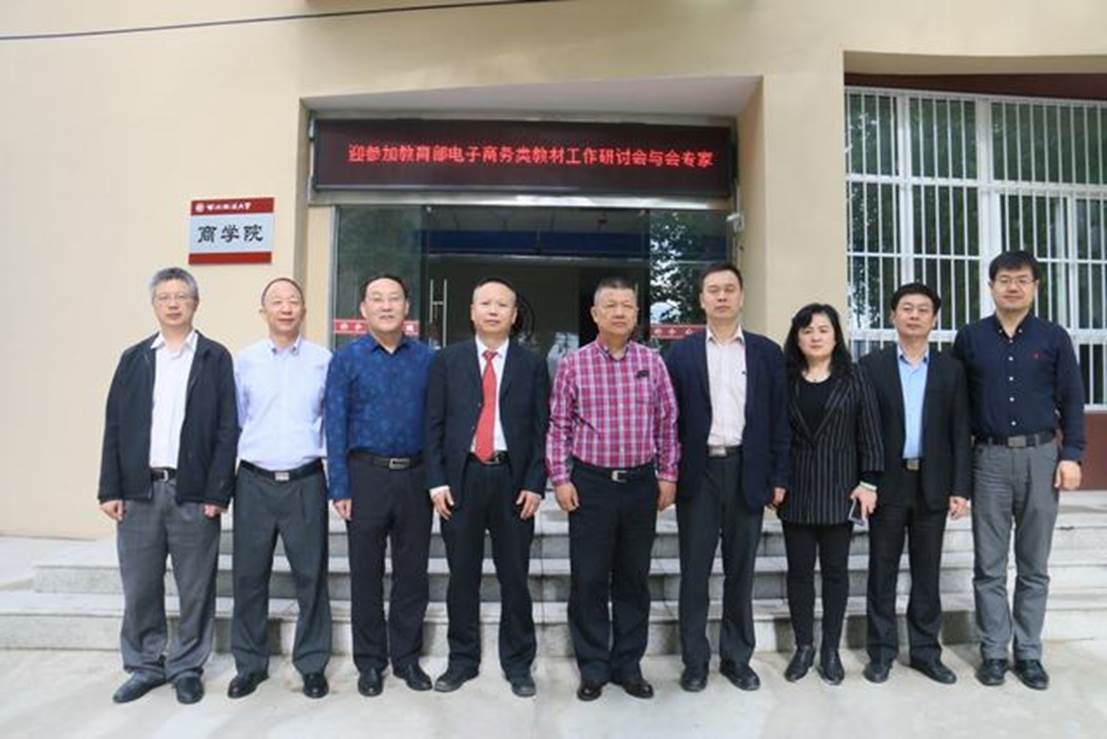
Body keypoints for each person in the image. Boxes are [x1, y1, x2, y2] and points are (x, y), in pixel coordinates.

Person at [98, 267, 237, 705]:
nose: (173, 303)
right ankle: (145, 664)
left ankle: (187, 666)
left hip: (192, 493)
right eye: (165, 297)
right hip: (139, 491)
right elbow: (114, 425)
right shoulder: (134, 359)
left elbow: (227, 429)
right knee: (140, 584)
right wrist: (110, 488)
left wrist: (217, 493)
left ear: (196, 303)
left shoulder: (215, 357)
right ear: (154, 304)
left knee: (196, 586)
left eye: (181, 296)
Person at [952, 250, 1086, 691]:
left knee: (1033, 565)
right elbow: (958, 409)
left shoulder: (1053, 338)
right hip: (988, 458)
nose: (1013, 287)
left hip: (1041, 456)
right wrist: (959, 475)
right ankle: (994, 651)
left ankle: (1028, 652)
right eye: (1005, 279)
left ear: (1035, 287)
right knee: (989, 565)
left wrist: (1072, 455)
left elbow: (1072, 398)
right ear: (990, 286)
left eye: (1022, 280)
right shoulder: (970, 338)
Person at [546, 276, 680, 702]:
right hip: (591, 486)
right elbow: (559, 426)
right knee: (588, 579)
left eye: (627, 305)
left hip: (640, 485)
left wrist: (668, 474)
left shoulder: (653, 362)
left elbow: (668, 423)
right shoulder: (574, 364)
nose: (619, 312)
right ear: (595, 313)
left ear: (637, 313)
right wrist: (560, 478)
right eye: (611, 305)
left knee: (633, 579)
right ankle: (593, 667)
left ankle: (628, 665)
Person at [664, 263, 789, 693]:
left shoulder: (766, 353)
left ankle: (737, 659)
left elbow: (779, 419)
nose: (721, 296)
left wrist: (778, 475)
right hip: (697, 473)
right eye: (713, 290)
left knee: (741, 572)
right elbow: (668, 420)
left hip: (746, 471)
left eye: (729, 289)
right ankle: (695, 662)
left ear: (741, 297)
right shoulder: (680, 354)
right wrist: (668, 473)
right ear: (701, 299)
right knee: (694, 572)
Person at [424, 277, 549, 698]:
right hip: (462, 479)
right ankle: (462, 660)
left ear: (514, 316)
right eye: (485, 303)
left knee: (515, 577)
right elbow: (433, 425)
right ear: (472, 311)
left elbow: (542, 429)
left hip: (513, 479)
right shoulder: (447, 361)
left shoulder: (532, 364)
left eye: (502, 305)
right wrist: (436, 480)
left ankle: (519, 663)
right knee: (463, 576)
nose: (493, 310)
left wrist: (535, 483)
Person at [324, 274, 435, 697]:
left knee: (412, 572)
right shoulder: (346, 359)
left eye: (394, 299)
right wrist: (339, 486)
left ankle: (406, 658)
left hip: (415, 476)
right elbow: (335, 424)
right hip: (365, 476)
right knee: (365, 573)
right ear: (363, 309)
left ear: (407, 307)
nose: (386, 306)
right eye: (377, 299)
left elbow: (437, 422)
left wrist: (437, 480)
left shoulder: (427, 359)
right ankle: (370, 662)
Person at [858, 282, 971, 685]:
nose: (915, 315)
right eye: (907, 308)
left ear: (934, 319)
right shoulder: (871, 367)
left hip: (933, 483)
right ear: (893, 316)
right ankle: (881, 653)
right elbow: (863, 430)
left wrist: (961, 488)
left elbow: (960, 431)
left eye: (923, 309)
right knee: (882, 570)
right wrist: (865, 482)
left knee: (927, 573)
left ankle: (925, 651)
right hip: (887, 484)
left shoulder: (951, 370)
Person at [228, 277, 332, 700]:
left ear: (304, 310)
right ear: (264, 311)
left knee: (312, 577)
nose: (286, 308)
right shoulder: (245, 361)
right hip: (254, 481)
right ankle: (249, 665)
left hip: (306, 481)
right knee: (249, 577)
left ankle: (312, 664)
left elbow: (331, 420)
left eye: (293, 301)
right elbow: (235, 421)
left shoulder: (323, 360)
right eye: (277, 302)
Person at [777, 303, 882, 685]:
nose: (815, 337)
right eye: (807, 331)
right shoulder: (785, 379)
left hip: (841, 490)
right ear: (797, 338)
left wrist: (868, 483)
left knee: (836, 573)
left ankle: (830, 650)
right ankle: (804, 646)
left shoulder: (855, 377)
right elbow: (776, 434)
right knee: (799, 574)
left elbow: (870, 433)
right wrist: (775, 480)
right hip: (797, 491)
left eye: (823, 329)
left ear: (836, 336)